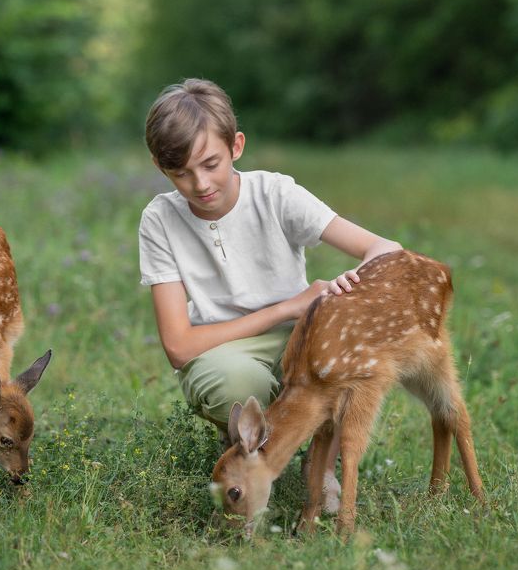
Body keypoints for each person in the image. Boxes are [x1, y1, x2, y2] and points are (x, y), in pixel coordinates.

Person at [138, 78, 401, 508]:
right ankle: (248, 450)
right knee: (239, 384)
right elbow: (179, 346)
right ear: (159, 166)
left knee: (342, 360)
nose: (200, 184)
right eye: (180, 173)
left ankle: (320, 463)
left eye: (210, 164)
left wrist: (348, 289)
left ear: (236, 145)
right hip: (218, 350)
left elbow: (385, 249)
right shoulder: (160, 220)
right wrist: (289, 305)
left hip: (298, 338)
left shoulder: (274, 194)